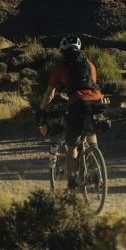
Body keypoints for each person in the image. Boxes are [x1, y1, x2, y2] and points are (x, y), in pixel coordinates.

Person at [38, 35, 104, 190]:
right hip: (97, 100)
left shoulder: (59, 66)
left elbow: (50, 93)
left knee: (72, 146)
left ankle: (72, 183)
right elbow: (93, 84)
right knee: (90, 129)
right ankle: (96, 161)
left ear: (62, 51)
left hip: (77, 102)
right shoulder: (90, 64)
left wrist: (42, 109)